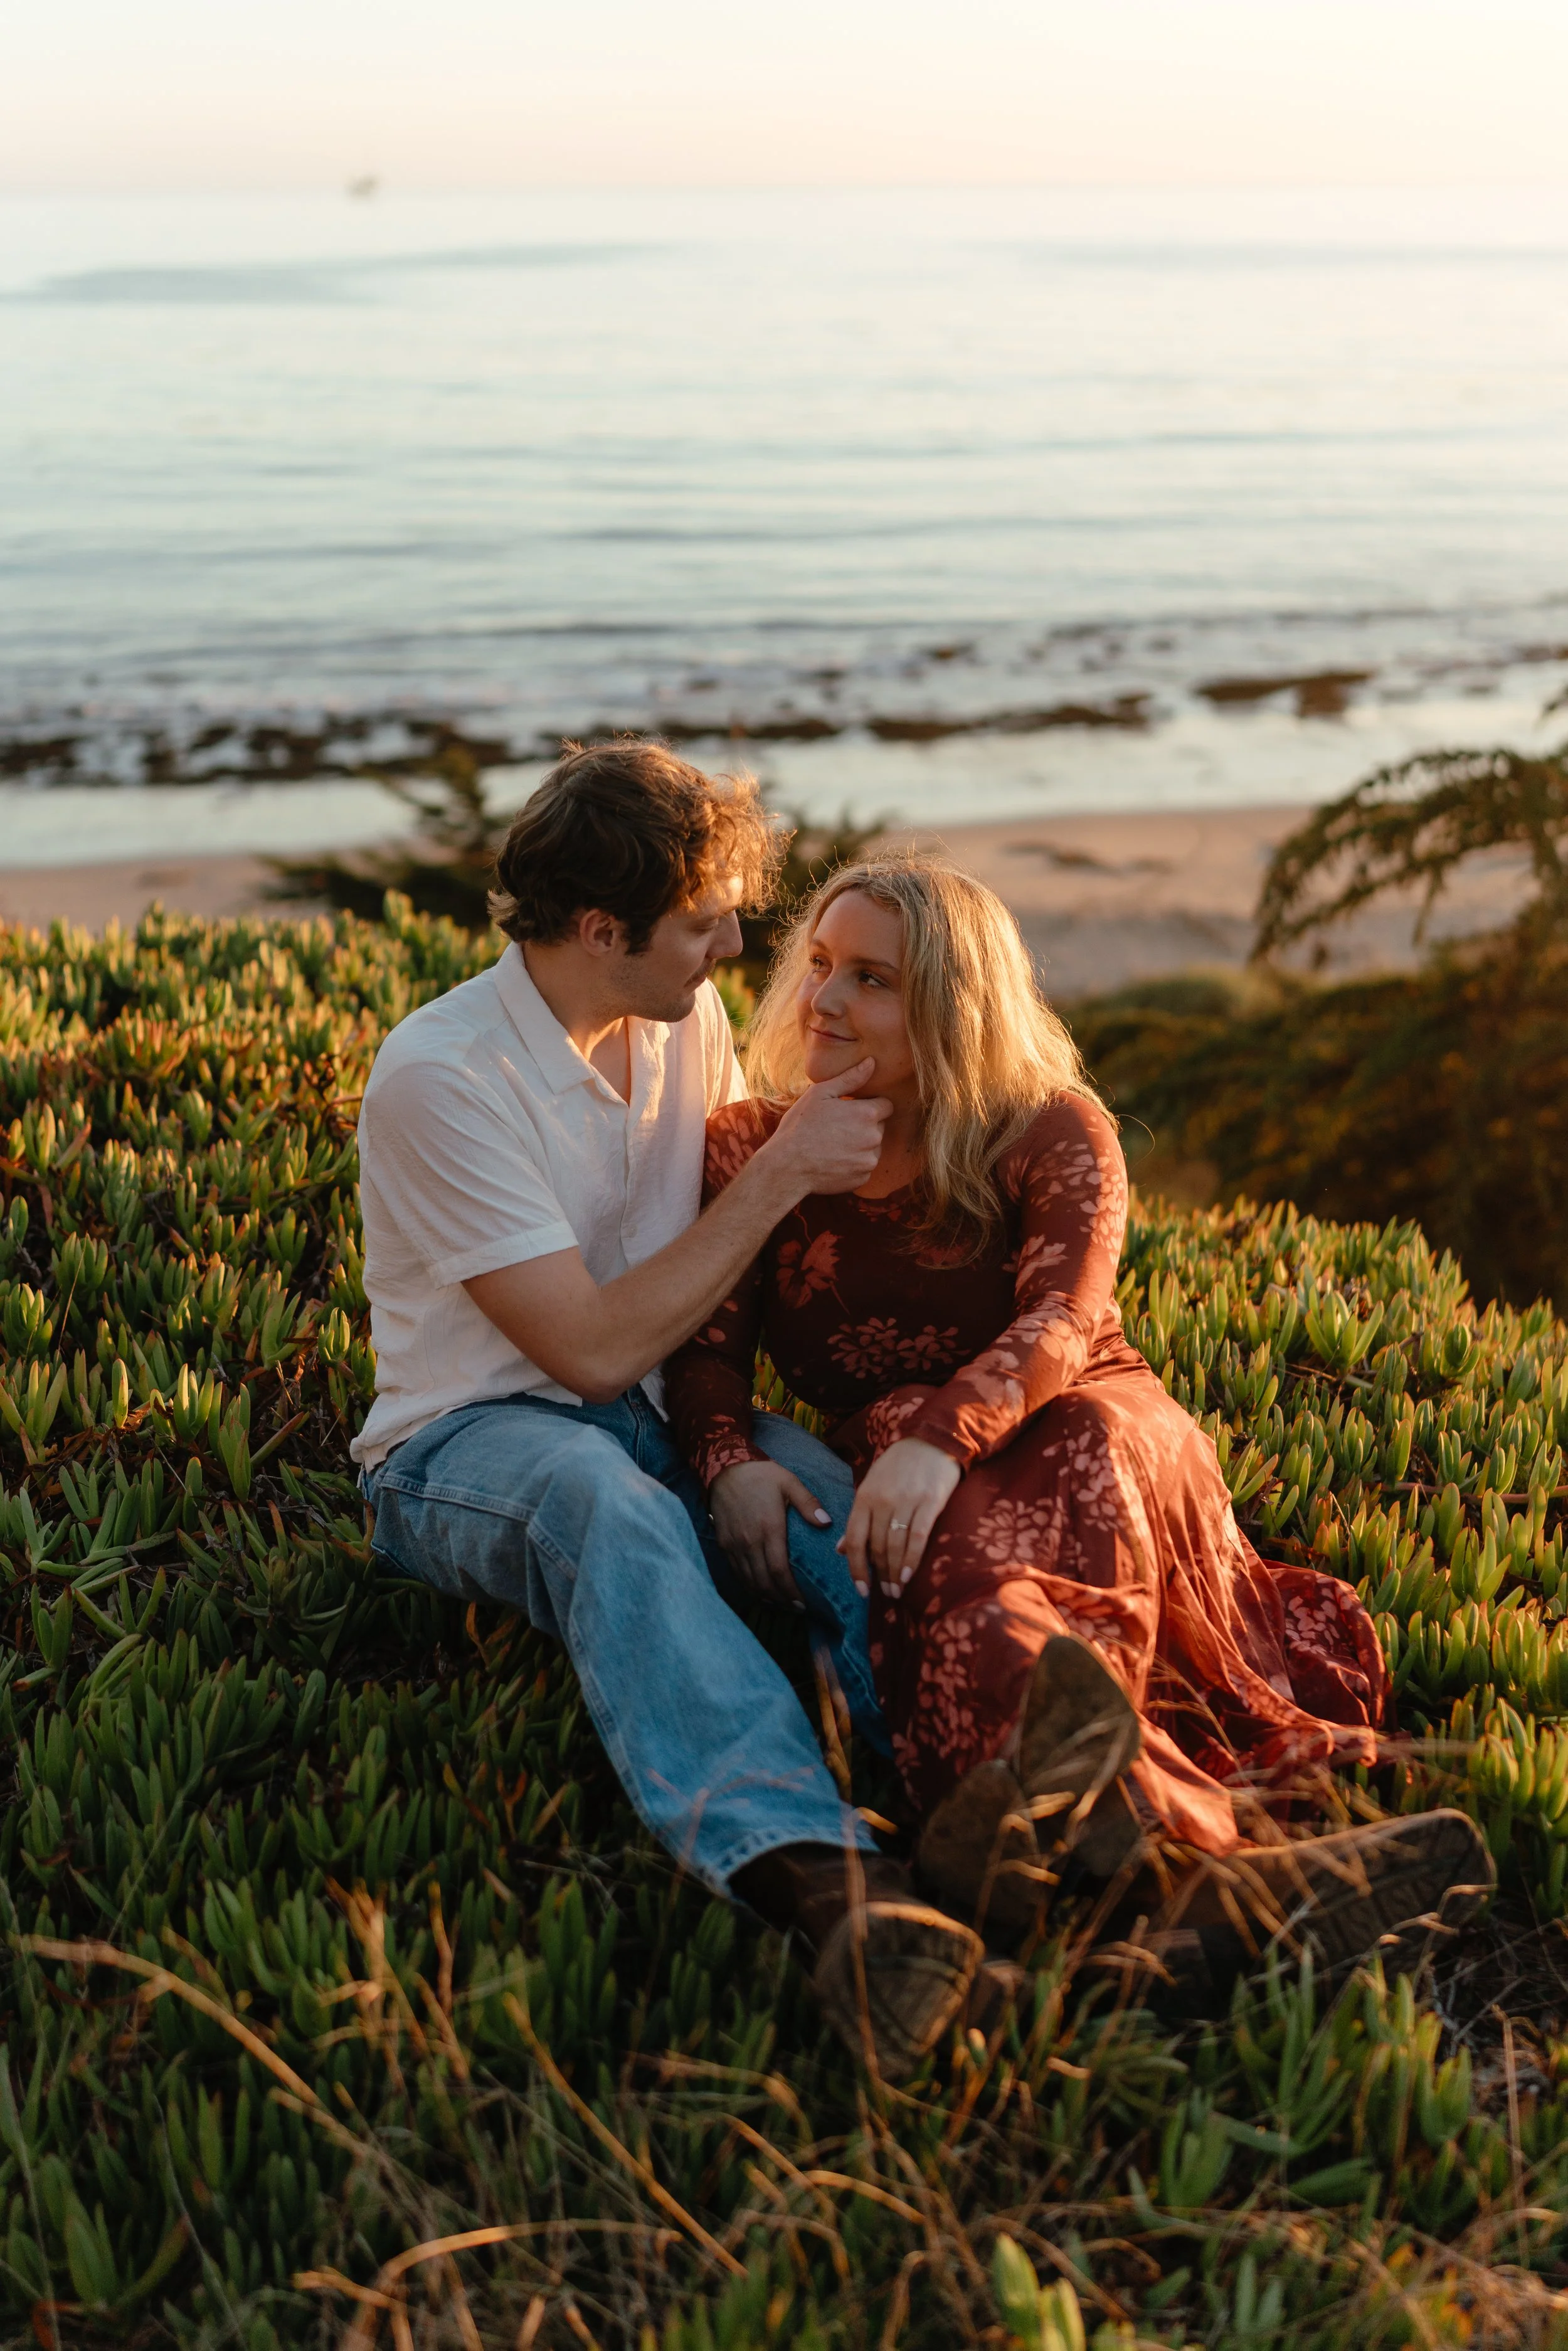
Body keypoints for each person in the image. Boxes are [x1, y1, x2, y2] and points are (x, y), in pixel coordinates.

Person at [664, 852, 1493, 1991]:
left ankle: (1057, 1861)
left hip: (1083, 1415)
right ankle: (1178, 1886)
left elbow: (1062, 1320)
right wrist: (725, 1468)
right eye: (817, 968)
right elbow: (705, 1361)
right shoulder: (753, 1144)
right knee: (965, 1581)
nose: (822, 1001)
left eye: (871, 980)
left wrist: (933, 1443)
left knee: (1051, 1471)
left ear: (955, 1004)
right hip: (915, 1454)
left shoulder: (1049, 1127)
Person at [351, 742, 987, 2079]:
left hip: (658, 1404)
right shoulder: (441, 1076)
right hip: (469, 1440)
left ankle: (983, 1812)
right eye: (704, 921)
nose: (738, 944)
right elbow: (581, 1353)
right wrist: (775, 1182)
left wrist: (724, 1447)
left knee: (834, 1508)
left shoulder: (678, 1016)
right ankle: (828, 1889)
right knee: (608, 1506)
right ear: (600, 929)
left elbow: (681, 1322)